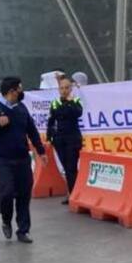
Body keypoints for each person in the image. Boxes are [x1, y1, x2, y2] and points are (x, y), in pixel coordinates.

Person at [0, 76, 47, 244]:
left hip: (23, 158)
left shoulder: (21, 108)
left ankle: (23, 230)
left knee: (24, 195)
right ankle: (6, 219)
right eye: (19, 89)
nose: (21, 92)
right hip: (3, 160)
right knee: (6, 194)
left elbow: (32, 130)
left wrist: (41, 150)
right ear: (11, 91)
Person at [47, 76, 83, 205]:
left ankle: (74, 194)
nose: (64, 90)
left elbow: (77, 113)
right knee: (66, 168)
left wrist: (69, 102)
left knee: (71, 167)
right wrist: (50, 137)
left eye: (67, 88)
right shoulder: (55, 102)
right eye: (61, 88)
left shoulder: (76, 100)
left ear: (71, 88)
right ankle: (72, 193)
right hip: (59, 139)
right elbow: (51, 121)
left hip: (73, 138)